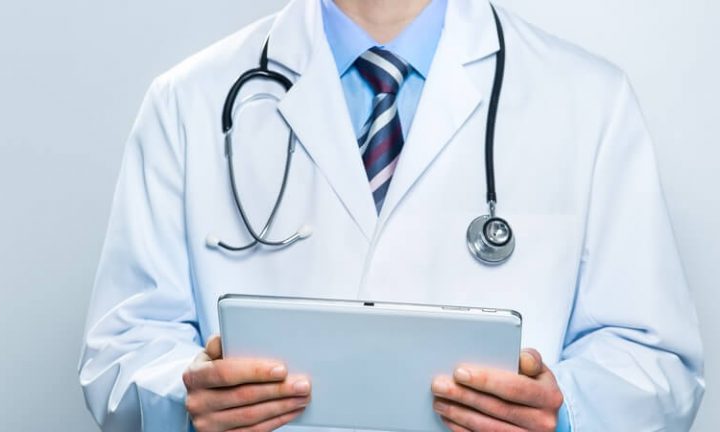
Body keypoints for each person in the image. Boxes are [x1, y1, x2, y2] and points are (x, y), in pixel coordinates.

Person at [78, 0, 705, 430]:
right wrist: (183, 398)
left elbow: (656, 363)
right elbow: (121, 349)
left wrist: (565, 414)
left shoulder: (589, 102)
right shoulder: (188, 102)